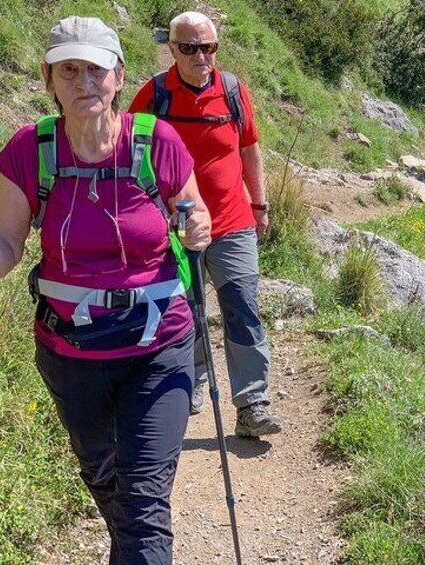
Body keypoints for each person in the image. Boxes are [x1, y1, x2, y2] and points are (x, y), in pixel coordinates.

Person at [0, 16, 212, 563]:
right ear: (50, 80)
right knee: (102, 474)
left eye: (95, 69)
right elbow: (5, 254)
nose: (83, 82)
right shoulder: (32, 150)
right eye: (68, 70)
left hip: (159, 345)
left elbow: (194, 212)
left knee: (144, 501)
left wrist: (197, 226)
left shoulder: (155, 142)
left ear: (118, 75)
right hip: (71, 350)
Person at [129, 11, 282, 438]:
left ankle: (252, 403)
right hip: (173, 226)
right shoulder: (155, 94)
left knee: (243, 307)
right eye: (191, 48)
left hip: (233, 222)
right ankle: (189, 387)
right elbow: (128, 151)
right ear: (172, 48)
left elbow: (250, 148)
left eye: (208, 47)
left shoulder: (232, 90)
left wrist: (260, 203)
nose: (201, 56)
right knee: (186, 310)